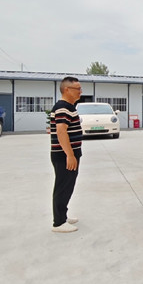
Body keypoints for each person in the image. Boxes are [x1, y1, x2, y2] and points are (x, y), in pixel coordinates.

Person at [50, 76, 83, 233]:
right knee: (63, 187)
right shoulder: (63, 107)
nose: (80, 92)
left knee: (67, 186)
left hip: (69, 154)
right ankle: (58, 222)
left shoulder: (69, 107)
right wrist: (69, 155)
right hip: (64, 156)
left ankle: (62, 215)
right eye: (78, 89)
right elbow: (61, 131)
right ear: (67, 90)